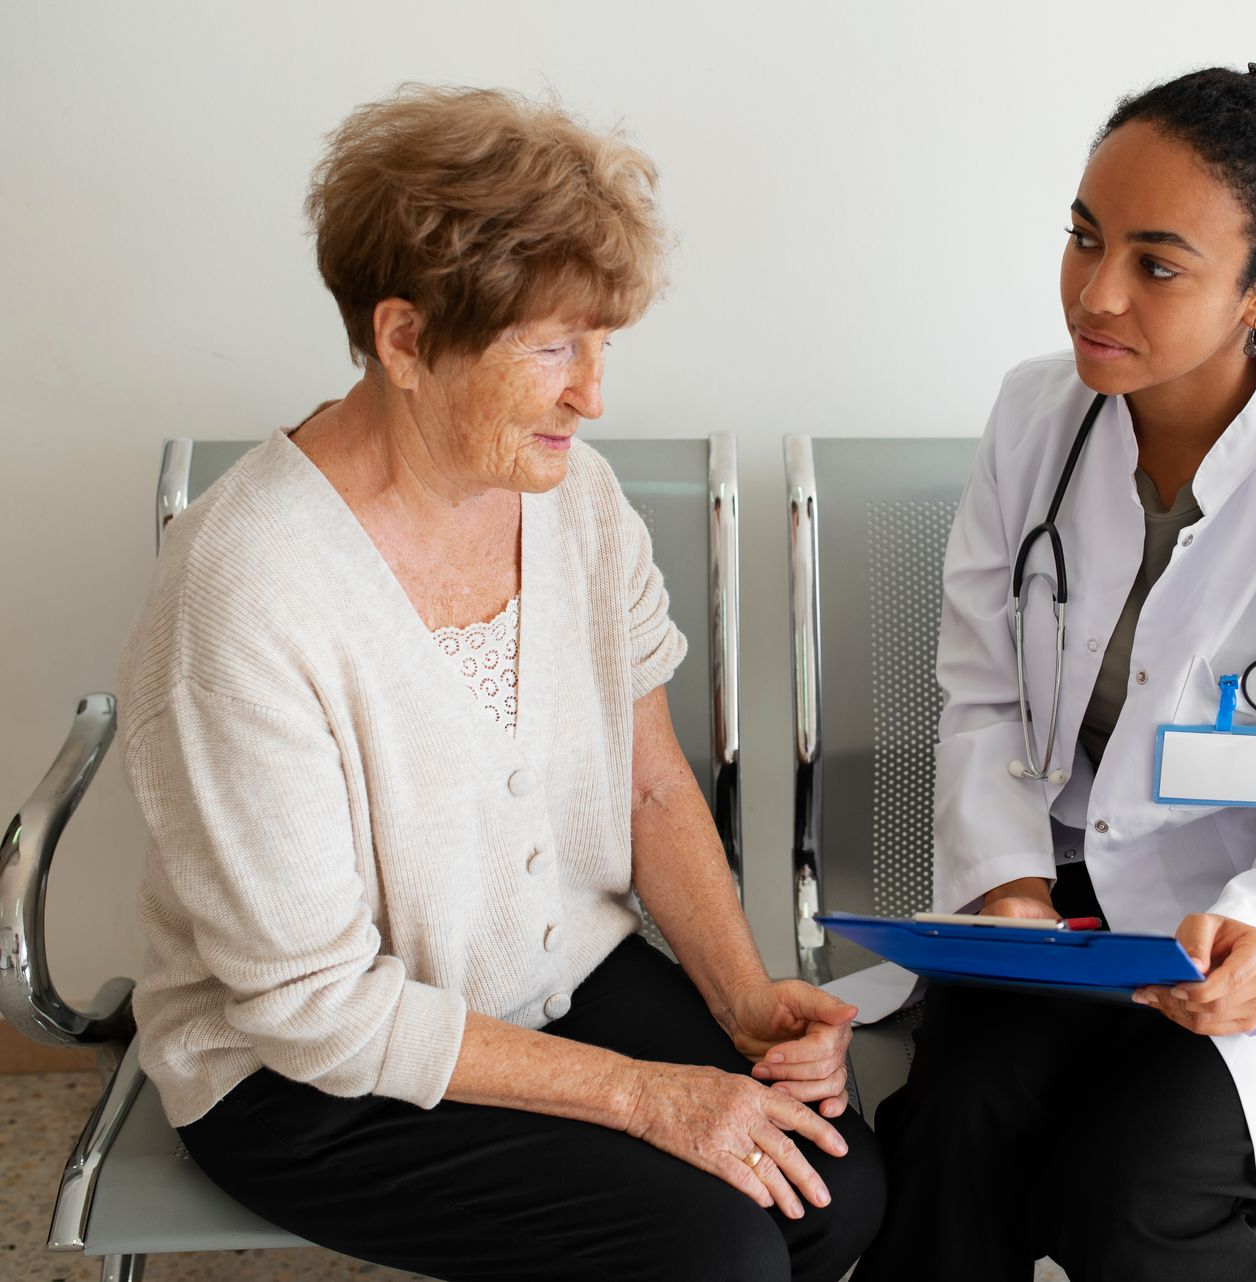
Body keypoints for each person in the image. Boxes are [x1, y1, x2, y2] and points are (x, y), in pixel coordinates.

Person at [118, 84, 882, 1282]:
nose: (593, 393)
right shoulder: (245, 586)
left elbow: (650, 788)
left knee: (834, 1189)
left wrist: (743, 1004)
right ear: (405, 339)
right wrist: (647, 1098)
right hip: (310, 1073)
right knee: (711, 1247)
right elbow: (315, 1006)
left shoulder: (574, 499)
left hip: (556, 974)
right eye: (550, 346)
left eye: (603, 343)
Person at [855, 65, 1256, 1282]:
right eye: (1084, 239)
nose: (1094, 294)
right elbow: (985, 692)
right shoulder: (1034, 419)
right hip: (1066, 917)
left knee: (1130, 1194)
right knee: (955, 1125)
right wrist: (1006, 888)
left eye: (1156, 263)